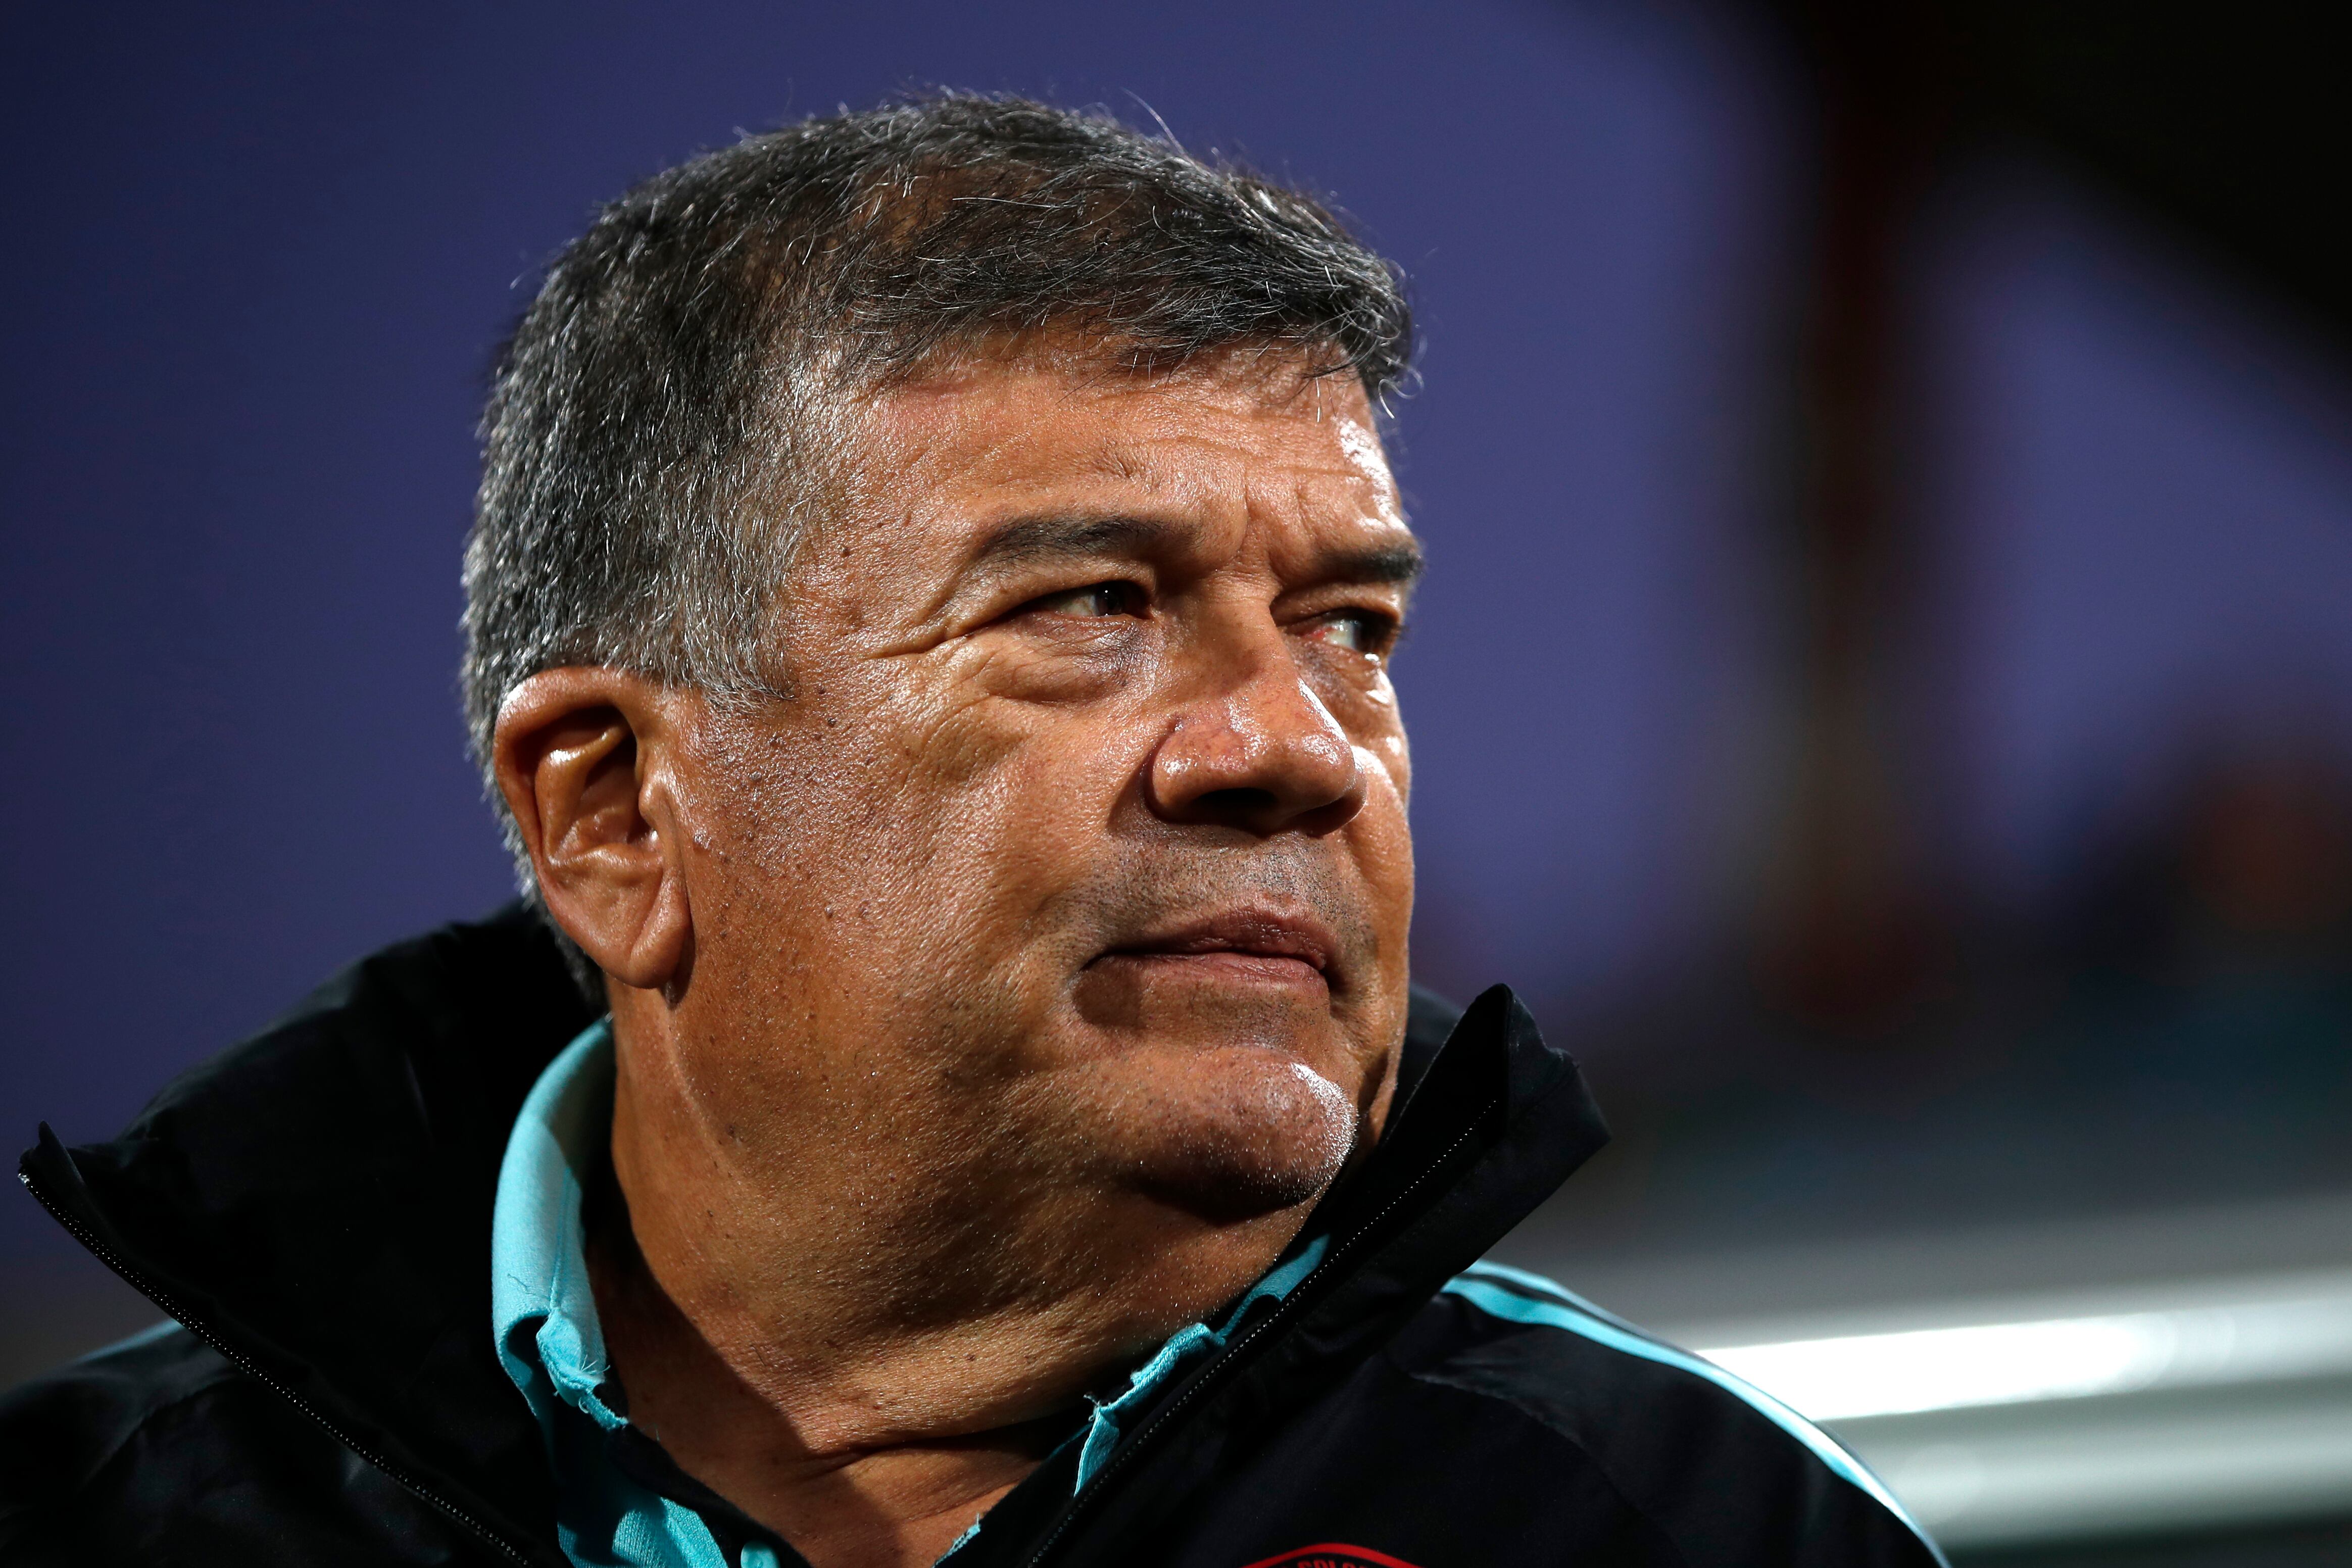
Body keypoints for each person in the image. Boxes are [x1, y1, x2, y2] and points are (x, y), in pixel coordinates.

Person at [0, 96, 1943, 1568]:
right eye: (1093, 605)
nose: (1297, 747)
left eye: (1352, 628)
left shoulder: (1688, 1529)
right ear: (610, 816)